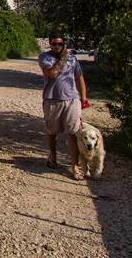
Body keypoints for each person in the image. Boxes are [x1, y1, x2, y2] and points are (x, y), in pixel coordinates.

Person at [39, 32, 89, 180]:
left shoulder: (72, 58)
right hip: (52, 99)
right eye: (54, 43)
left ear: (64, 44)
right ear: (50, 43)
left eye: (60, 44)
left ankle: (75, 165)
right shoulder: (45, 57)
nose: (57, 46)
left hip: (72, 99)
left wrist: (83, 96)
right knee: (52, 131)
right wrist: (63, 58)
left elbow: (79, 77)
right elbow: (52, 74)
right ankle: (53, 155)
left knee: (72, 132)